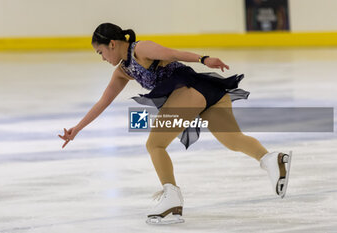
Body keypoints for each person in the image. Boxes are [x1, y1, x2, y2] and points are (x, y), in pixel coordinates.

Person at [58, 23, 292, 225]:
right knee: (232, 139)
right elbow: (104, 101)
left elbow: (173, 53)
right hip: (209, 92)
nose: (102, 58)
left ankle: (172, 198)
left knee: (155, 145)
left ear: (111, 43)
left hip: (190, 90)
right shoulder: (123, 71)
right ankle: (272, 159)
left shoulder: (139, 48)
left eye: (100, 52)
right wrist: (77, 129)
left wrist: (204, 59)